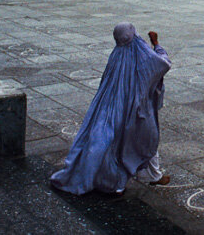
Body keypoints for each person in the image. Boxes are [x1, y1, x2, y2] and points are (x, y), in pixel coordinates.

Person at [50, 24, 170, 195]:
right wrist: (156, 44)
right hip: (136, 111)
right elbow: (163, 63)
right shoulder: (142, 56)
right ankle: (126, 181)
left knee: (119, 142)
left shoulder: (116, 56)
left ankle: (150, 176)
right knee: (144, 139)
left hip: (110, 108)